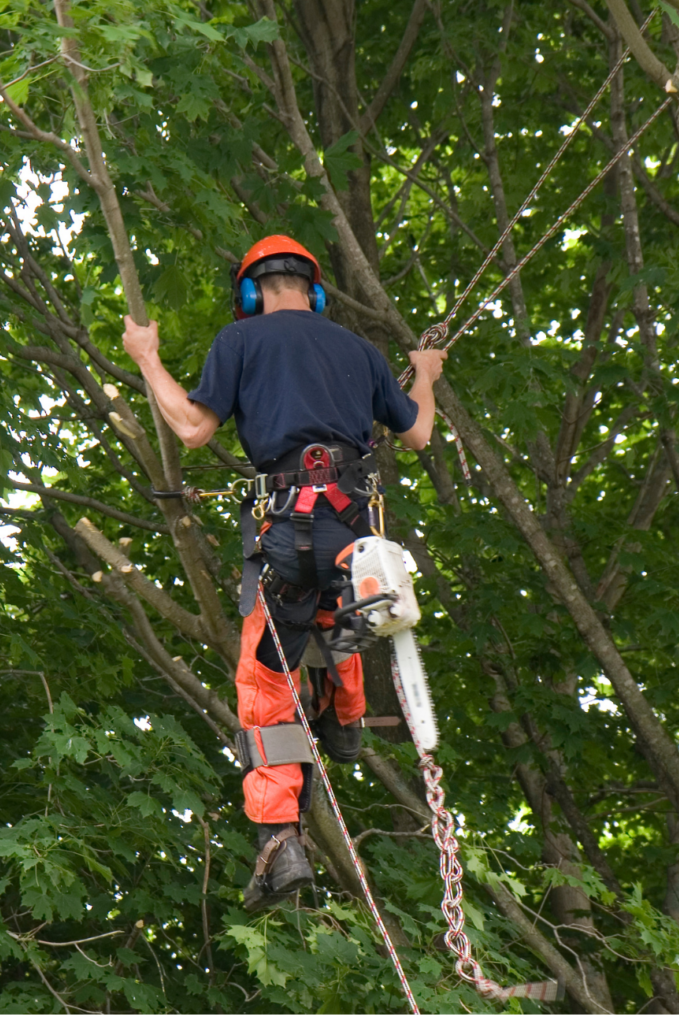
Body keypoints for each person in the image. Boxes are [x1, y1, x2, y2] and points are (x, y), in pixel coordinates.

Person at [122, 235, 446, 911]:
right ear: (314, 289)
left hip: (289, 537)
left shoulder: (239, 345)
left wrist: (147, 359)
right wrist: (426, 373)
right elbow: (416, 434)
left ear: (251, 294)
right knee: (341, 618)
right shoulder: (361, 352)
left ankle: (280, 839)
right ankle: (345, 724)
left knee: (266, 676)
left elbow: (191, 428)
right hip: (356, 535)